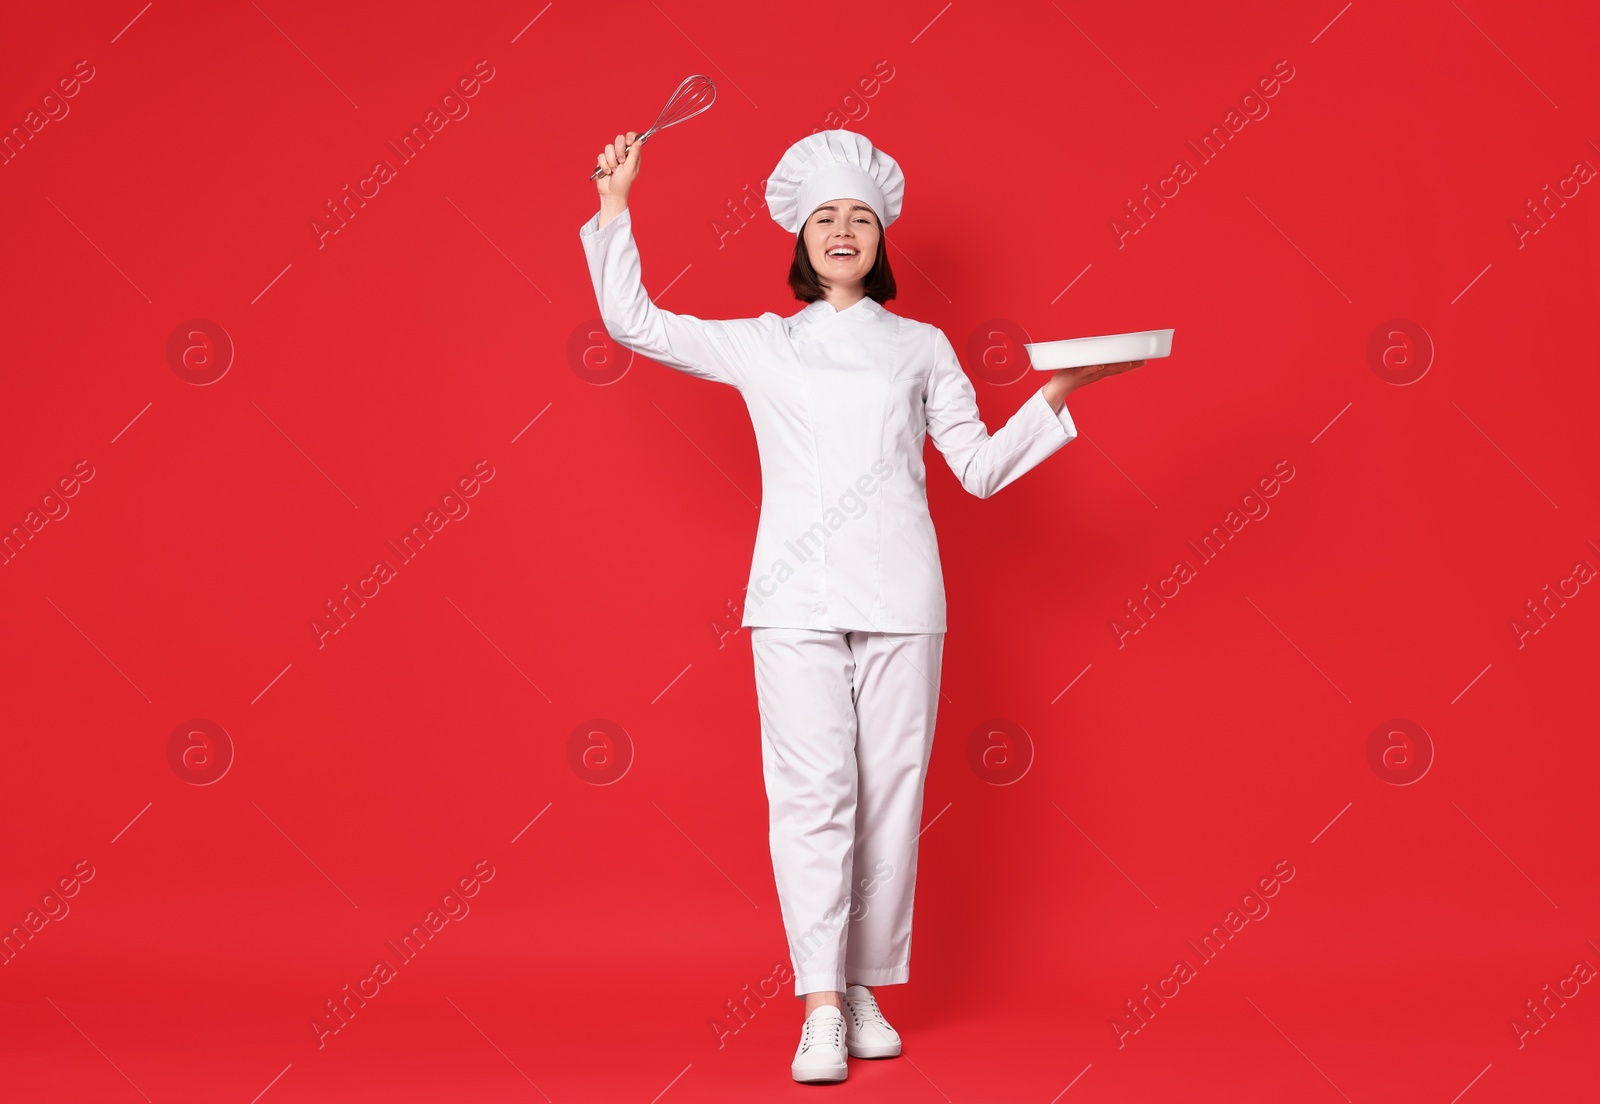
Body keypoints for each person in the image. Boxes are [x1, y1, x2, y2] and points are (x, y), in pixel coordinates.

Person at [581, 127, 1144, 1084]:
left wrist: (1061, 391)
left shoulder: (922, 348)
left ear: (881, 240)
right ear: (800, 240)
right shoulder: (762, 344)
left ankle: (864, 982)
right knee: (812, 800)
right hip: (794, 597)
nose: (844, 230)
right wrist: (614, 206)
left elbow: (977, 468)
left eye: (861, 218)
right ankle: (821, 1004)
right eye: (826, 218)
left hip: (903, 598)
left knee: (891, 799)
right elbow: (636, 322)